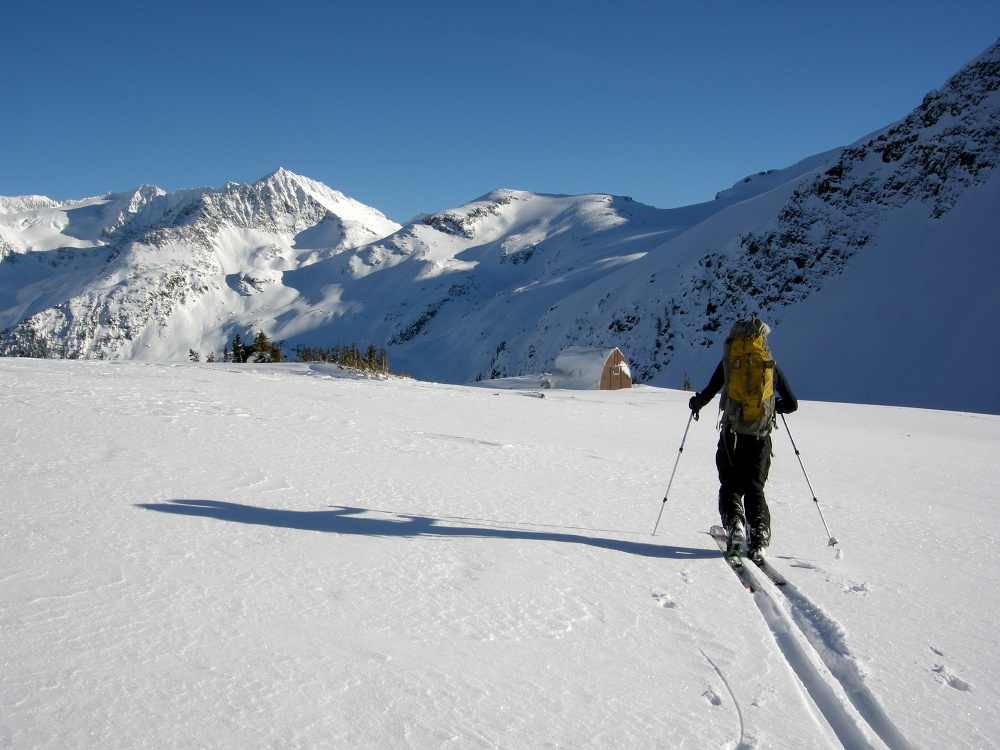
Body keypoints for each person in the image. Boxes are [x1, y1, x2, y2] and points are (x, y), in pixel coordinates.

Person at [688, 318, 798, 563]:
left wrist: (696, 404)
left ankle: (735, 524)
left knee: (730, 485)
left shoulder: (730, 363)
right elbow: (792, 404)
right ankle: (758, 538)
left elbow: (709, 391)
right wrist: (777, 406)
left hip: (732, 434)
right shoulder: (769, 366)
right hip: (760, 437)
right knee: (755, 489)